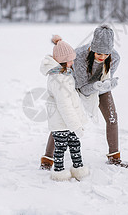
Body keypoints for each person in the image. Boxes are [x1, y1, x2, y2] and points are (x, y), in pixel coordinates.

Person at [40, 24, 128, 170]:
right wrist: (96, 86)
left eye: (106, 54)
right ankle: (47, 159)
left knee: (112, 118)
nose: (102, 57)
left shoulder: (115, 58)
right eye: (99, 53)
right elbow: (83, 88)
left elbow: (106, 78)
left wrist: (108, 85)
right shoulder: (79, 56)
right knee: (62, 120)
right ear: (92, 48)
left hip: (101, 88)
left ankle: (114, 157)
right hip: (76, 88)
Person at [40, 35, 89, 181]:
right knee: (60, 148)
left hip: (67, 120)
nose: (73, 62)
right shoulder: (58, 79)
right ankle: (59, 172)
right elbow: (64, 105)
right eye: (70, 60)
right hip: (61, 122)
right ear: (62, 61)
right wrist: (76, 125)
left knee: (75, 144)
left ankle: (78, 167)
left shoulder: (64, 74)